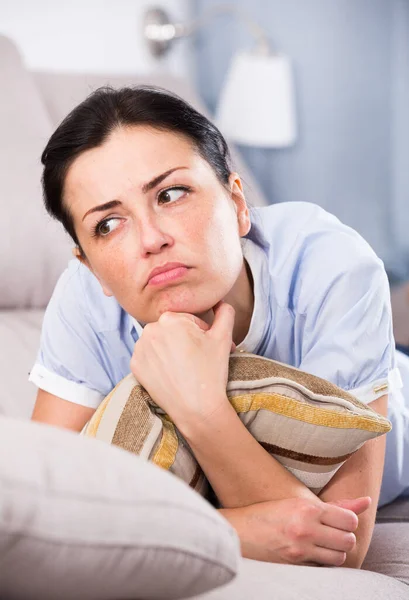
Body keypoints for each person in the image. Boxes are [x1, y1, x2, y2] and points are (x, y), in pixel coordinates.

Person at [30, 86, 409, 570]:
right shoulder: (82, 301)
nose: (151, 239)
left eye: (171, 194)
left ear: (237, 203)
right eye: (108, 224)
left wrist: (199, 405)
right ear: (89, 267)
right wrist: (236, 529)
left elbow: (342, 547)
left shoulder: (329, 263)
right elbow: (43, 510)